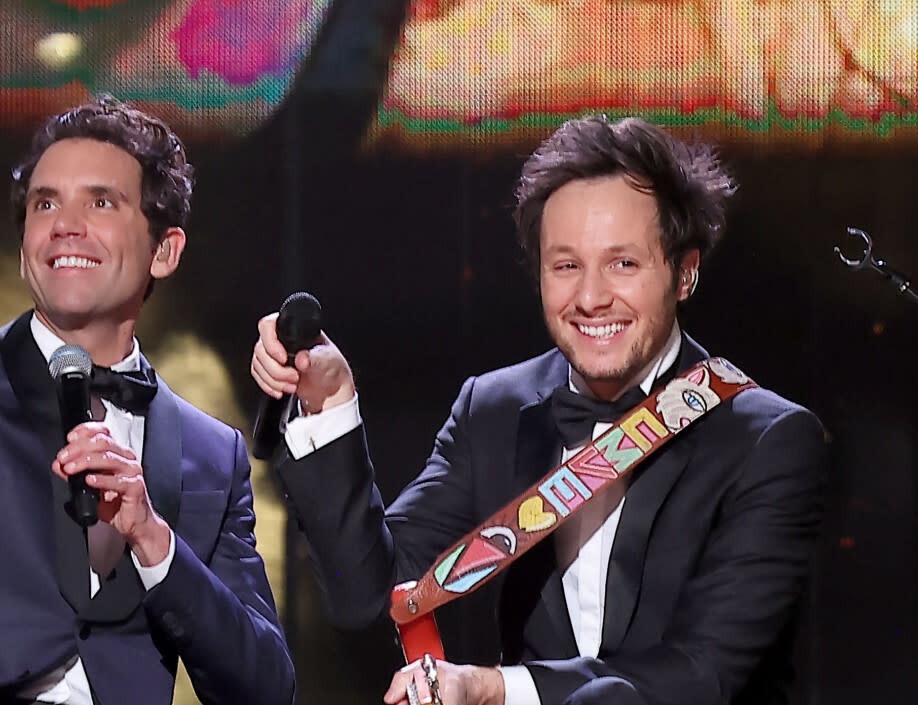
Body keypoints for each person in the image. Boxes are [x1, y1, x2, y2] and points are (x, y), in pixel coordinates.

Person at [251, 115, 826, 705]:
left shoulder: (767, 440)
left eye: (623, 264)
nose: (591, 297)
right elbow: (366, 594)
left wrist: (493, 689)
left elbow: (701, 676)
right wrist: (330, 405)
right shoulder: (494, 410)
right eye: (566, 265)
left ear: (685, 272)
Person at [0, 97, 295, 705]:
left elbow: (265, 688)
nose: (64, 224)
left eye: (100, 202)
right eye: (45, 202)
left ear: (165, 250)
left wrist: (156, 543)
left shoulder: (213, 455)